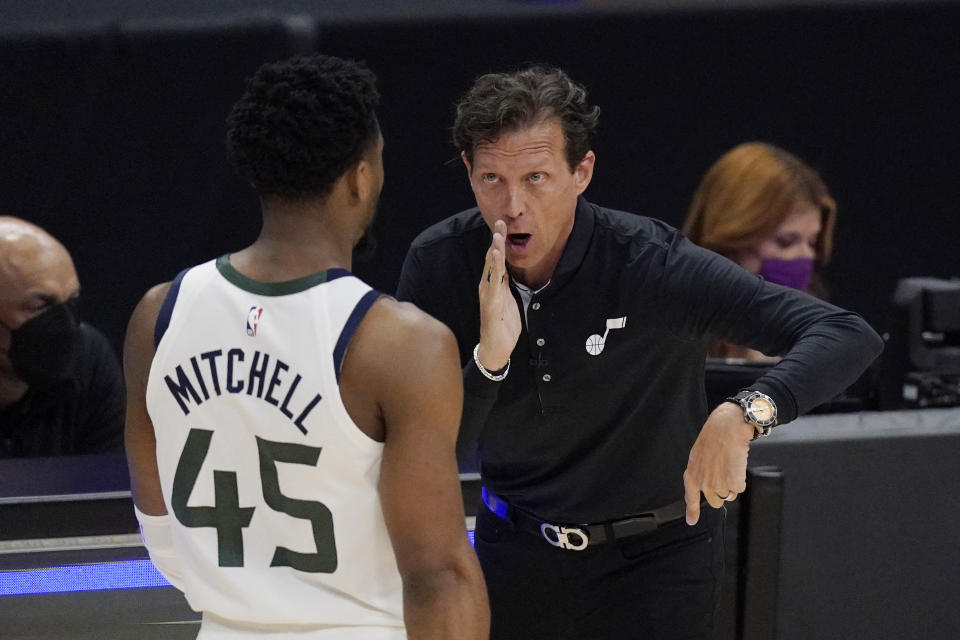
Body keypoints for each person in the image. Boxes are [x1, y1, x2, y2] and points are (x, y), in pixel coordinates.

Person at [396, 65, 882, 640]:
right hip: (514, 555)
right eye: (490, 179)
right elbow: (428, 456)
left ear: (583, 172)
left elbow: (848, 334)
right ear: (468, 174)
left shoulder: (649, 263)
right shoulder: (440, 265)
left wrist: (744, 414)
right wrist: (490, 361)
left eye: (536, 177)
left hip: (656, 565)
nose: (512, 205)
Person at [124, 54, 488, 639]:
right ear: (361, 177)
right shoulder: (400, 343)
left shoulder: (158, 315)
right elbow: (438, 576)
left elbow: (157, 519)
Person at [683, 142, 838, 359]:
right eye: (785, 241)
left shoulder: (818, 333)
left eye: (812, 242)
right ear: (730, 238)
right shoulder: (667, 333)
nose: (806, 256)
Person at [0, 216, 124, 457]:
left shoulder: (88, 359)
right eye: (41, 306)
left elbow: (111, 489)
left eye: (71, 300)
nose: (65, 325)